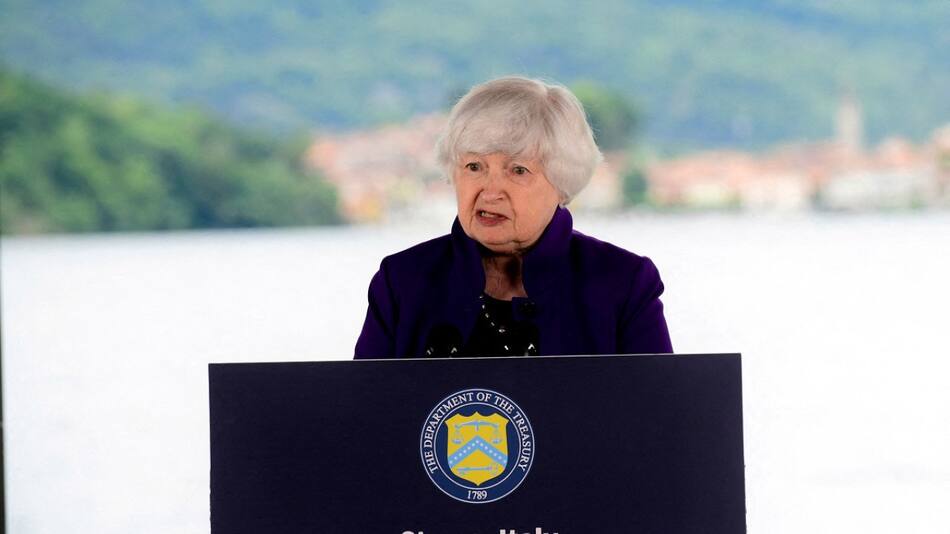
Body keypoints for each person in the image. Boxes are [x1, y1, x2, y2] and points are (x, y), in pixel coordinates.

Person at [354, 76, 672, 359]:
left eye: (518, 170)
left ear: (562, 181)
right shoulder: (401, 281)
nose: (491, 191)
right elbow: (365, 403)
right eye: (474, 167)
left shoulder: (624, 283)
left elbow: (657, 404)